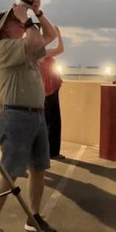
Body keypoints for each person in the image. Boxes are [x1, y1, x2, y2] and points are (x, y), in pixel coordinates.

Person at [0, 0, 58, 232]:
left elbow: (51, 35)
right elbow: (36, 38)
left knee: (38, 168)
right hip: (15, 116)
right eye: (16, 21)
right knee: (10, 172)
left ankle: (33, 216)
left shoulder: (24, 46)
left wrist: (38, 13)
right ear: (6, 28)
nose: (21, 23)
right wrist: (26, 19)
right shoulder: (4, 47)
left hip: (36, 115)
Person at [37, 26, 65, 159]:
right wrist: (57, 34)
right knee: (52, 122)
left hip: (49, 89)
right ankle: (51, 152)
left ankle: (49, 151)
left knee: (49, 121)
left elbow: (59, 49)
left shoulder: (39, 51)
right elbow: (60, 49)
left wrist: (56, 34)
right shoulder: (39, 52)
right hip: (48, 90)